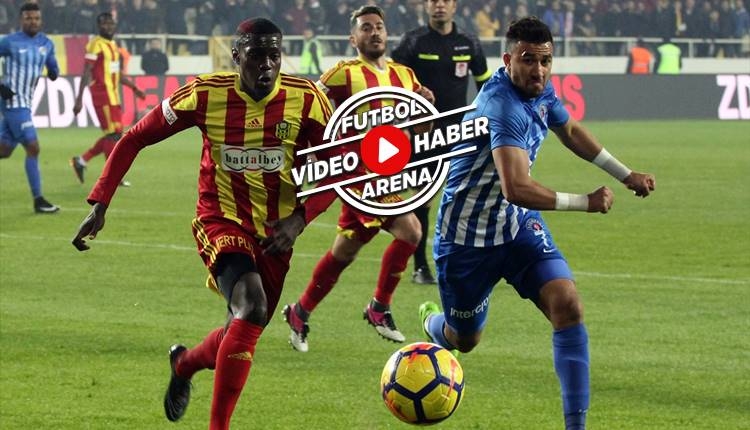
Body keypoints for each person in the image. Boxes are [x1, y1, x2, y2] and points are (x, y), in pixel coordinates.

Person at [71, 18, 336, 429]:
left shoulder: (308, 100)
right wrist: (100, 202)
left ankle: (185, 364)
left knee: (243, 327)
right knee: (252, 305)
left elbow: (341, 168)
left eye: (274, 55)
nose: (267, 64)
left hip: (276, 232)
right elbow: (135, 136)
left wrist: (300, 219)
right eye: (257, 55)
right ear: (237, 56)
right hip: (220, 219)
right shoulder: (205, 94)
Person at [419, 17, 655, 430]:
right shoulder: (501, 106)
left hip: (516, 228)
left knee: (568, 305)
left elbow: (571, 131)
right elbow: (516, 187)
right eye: (528, 60)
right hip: (466, 239)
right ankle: (434, 324)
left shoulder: (540, 90)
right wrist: (585, 202)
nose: (539, 70)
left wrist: (625, 174)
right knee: (465, 340)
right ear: (508, 60)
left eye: (546, 61)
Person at [282, 5, 435, 353]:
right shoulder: (343, 74)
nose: (374, 32)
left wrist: (426, 104)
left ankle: (299, 312)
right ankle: (379, 307)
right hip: (354, 176)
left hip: (387, 175)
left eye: (379, 26)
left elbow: (421, 128)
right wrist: (316, 151)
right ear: (353, 39)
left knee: (345, 252)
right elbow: (309, 105)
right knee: (411, 231)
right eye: (366, 28)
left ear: (387, 33)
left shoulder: (405, 76)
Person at [391, 0, 491, 285]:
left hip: (460, 134)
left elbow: (486, 87)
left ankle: (470, 263)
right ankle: (420, 267)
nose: (439, 5)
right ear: (426, 6)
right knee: (423, 199)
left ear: (454, 6)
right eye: (433, 1)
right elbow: (392, 86)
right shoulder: (412, 42)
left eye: (445, 0)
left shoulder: (469, 43)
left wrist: (486, 123)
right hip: (424, 135)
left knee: (470, 199)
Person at [70, 12, 146, 187]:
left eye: (111, 23)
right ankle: (112, 177)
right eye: (105, 23)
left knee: (114, 135)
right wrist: (79, 99)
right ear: (99, 26)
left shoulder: (113, 45)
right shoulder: (95, 44)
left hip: (113, 96)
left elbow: (116, 73)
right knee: (114, 135)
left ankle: (81, 160)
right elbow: (86, 71)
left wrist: (134, 88)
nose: (108, 26)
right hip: (102, 95)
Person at [0, 2, 60, 213]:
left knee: (4, 151)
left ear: (40, 20)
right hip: (12, 103)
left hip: (25, 103)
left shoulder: (46, 43)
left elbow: (53, 68)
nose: (33, 22)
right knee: (33, 147)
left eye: (36, 18)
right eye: (28, 18)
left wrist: (53, 72)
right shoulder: (9, 42)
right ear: (21, 20)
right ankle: (39, 200)